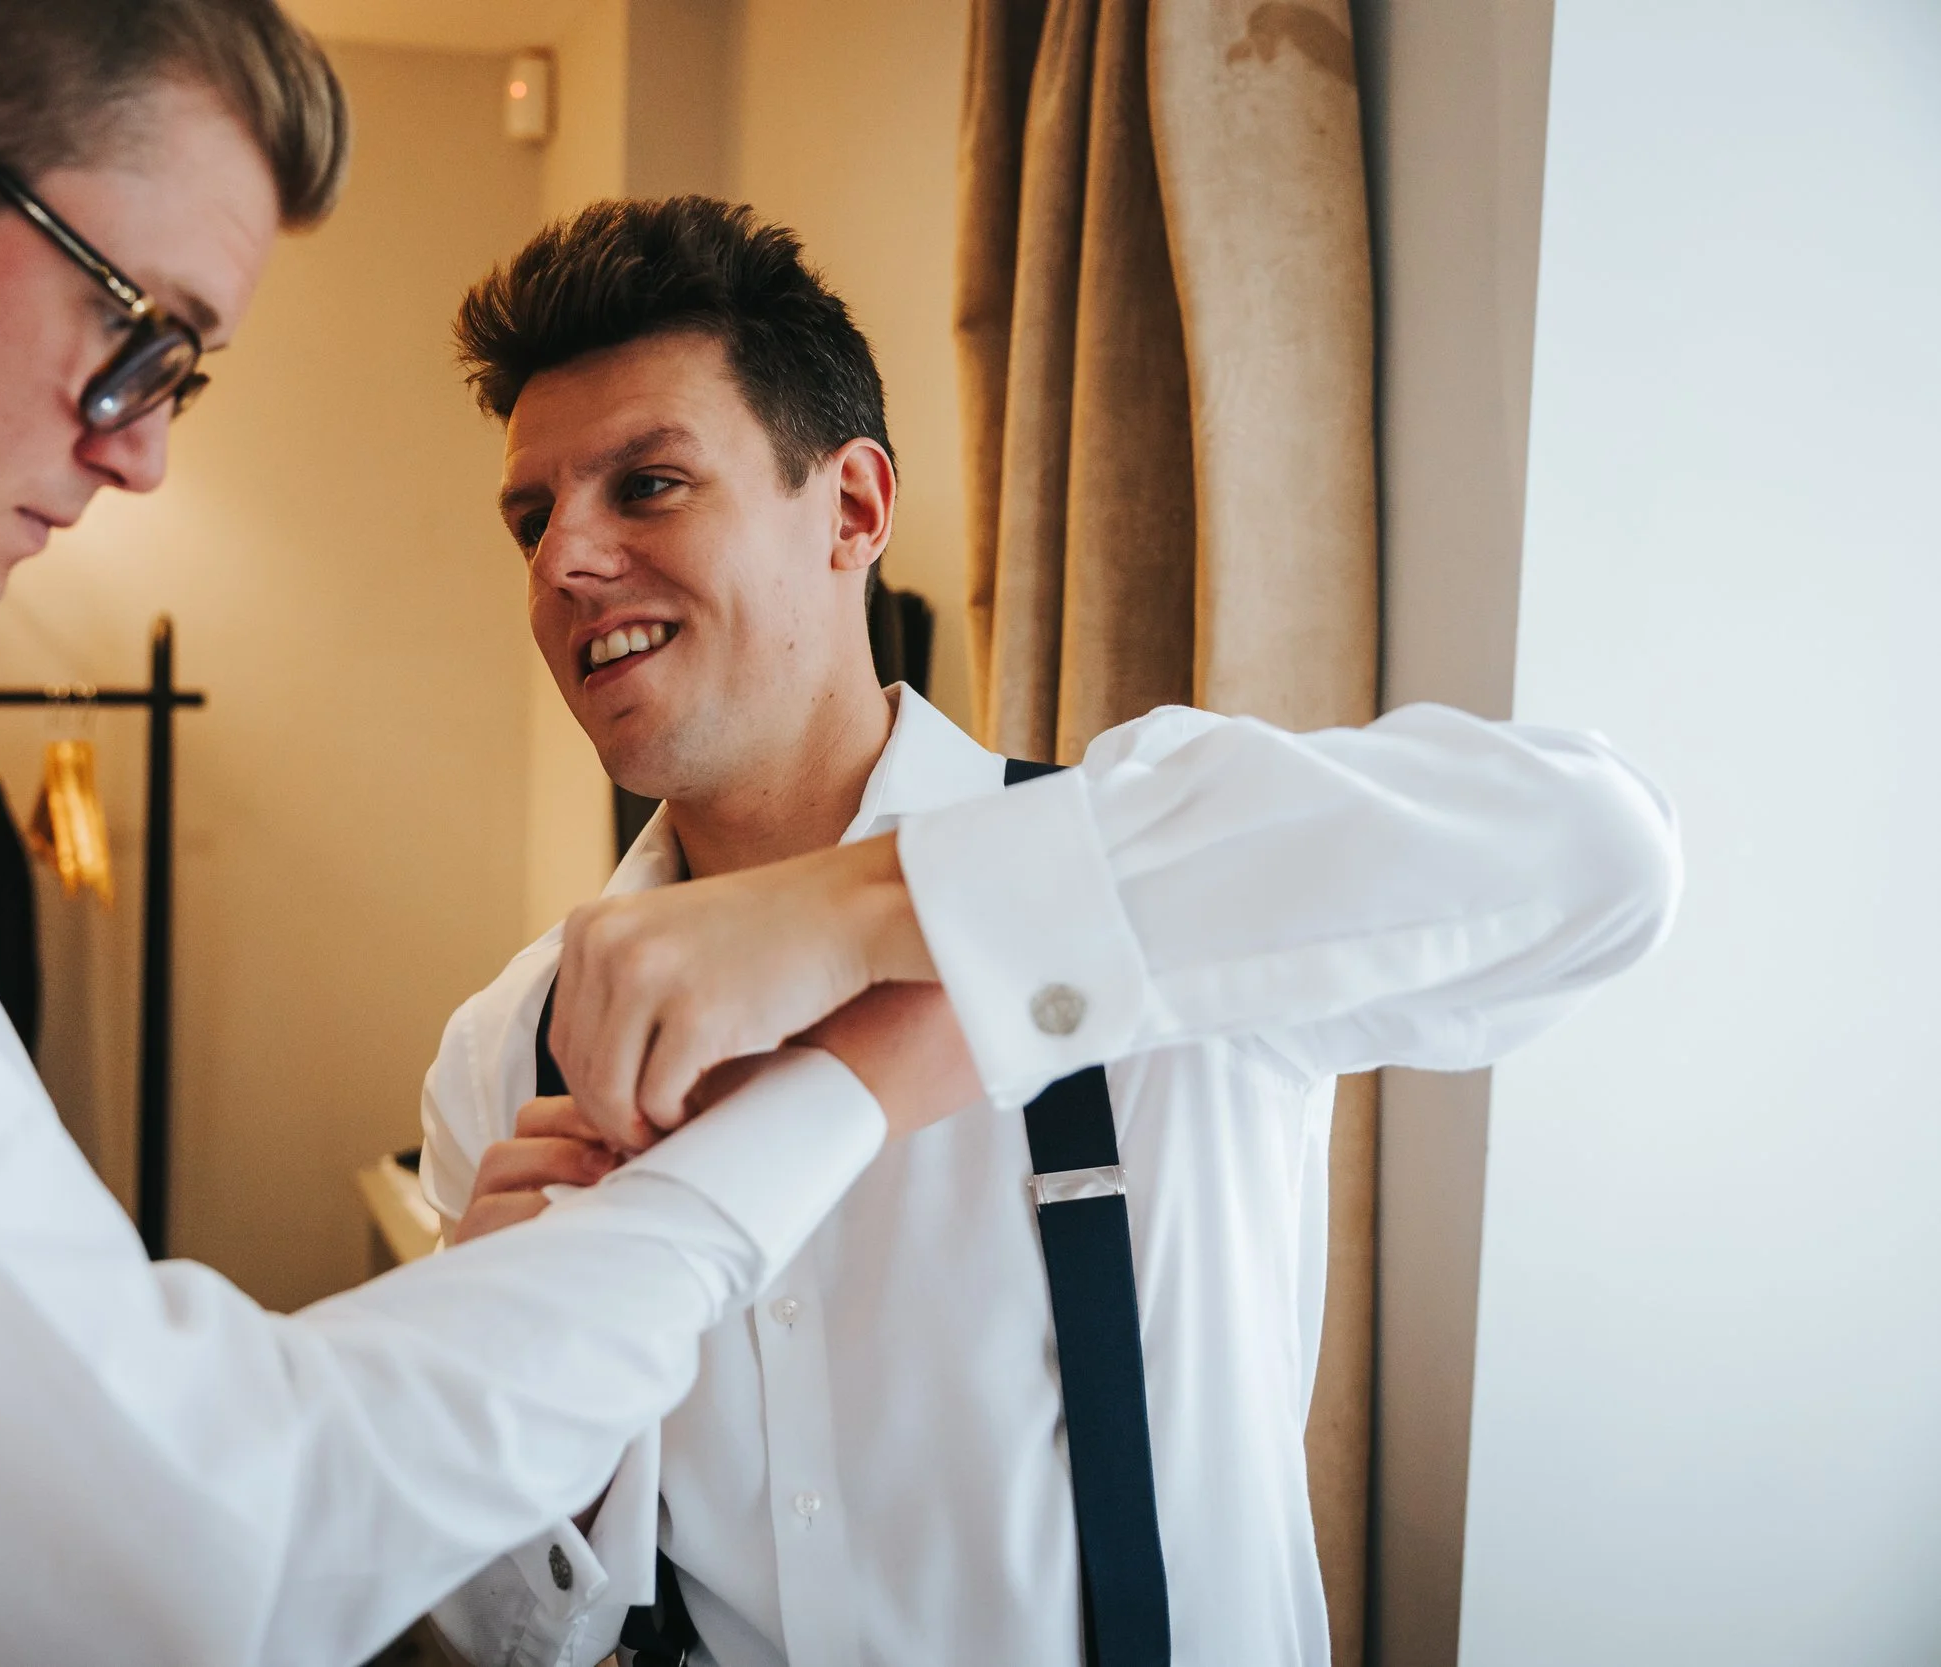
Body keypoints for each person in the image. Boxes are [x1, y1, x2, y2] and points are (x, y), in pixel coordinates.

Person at [0, 10, 985, 1666]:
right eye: (137, 333)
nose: (143, 449)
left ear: (855, 513)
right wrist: (845, 1083)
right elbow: (213, 1547)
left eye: (180, 372)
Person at [420, 197, 1682, 1667]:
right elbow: (523, 1634)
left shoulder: (1150, 870)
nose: (563, 560)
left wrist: (859, 908)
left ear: (853, 510)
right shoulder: (505, 1052)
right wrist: (516, 1406)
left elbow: (1604, 858)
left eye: (646, 485)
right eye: (531, 517)